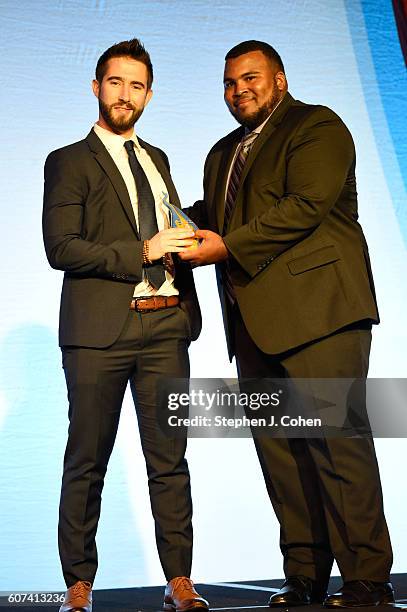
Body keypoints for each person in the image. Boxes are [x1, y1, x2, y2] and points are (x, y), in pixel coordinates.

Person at [179, 40, 393, 608]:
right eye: (230, 82)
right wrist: (163, 220)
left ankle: (367, 579)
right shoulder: (223, 151)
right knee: (281, 452)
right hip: (253, 321)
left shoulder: (316, 125)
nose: (240, 89)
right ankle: (303, 575)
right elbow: (214, 217)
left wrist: (225, 246)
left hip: (321, 313)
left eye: (251, 77)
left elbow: (305, 204)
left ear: (279, 79)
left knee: (335, 446)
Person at [43, 39, 209, 612]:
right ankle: (78, 585)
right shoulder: (68, 160)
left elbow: (172, 227)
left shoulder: (157, 159)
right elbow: (62, 248)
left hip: (165, 326)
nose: (125, 94)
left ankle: (180, 580)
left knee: (170, 459)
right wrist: (144, 249)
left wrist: (195, 237)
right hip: (98, 333)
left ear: (149, 94)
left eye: (136, 85)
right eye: (115, 82)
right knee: (87, 458)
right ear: (96, 87)